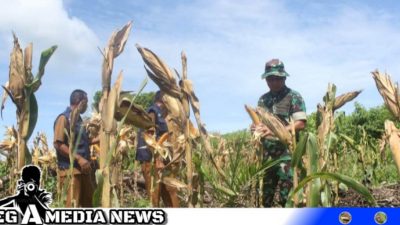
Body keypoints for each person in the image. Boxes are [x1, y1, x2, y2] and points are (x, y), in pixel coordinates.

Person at [252, 59, 307, 207]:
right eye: (270, 79)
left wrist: (277, 130)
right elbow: (259, 122)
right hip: (267, 157)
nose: (274, 82)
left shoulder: (293, 96)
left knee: (287, 198)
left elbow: (300, 123)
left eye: (278, 78)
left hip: (287, 156)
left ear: (284, 77)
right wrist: (255, 127)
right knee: (265, 197)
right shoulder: (263, 100)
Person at [136, 91, 179, 207]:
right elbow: (149, 136)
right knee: (154, 196)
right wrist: (158, 159)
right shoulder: (152, 111)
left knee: (170, 192)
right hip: (152, 161)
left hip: (160, 162)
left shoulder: (161, 113)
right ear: (164, 99)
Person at [53, 89, 96, 207]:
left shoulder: (79, 120)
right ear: (80, 102)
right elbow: (58, 144)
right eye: (86, 102)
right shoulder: (64, 118)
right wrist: (79, 159)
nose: (87, 105)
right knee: (73, 206)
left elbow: (84, 142)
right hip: (71, 171)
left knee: (89, 203)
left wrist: (103, 136)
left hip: (84, 170)